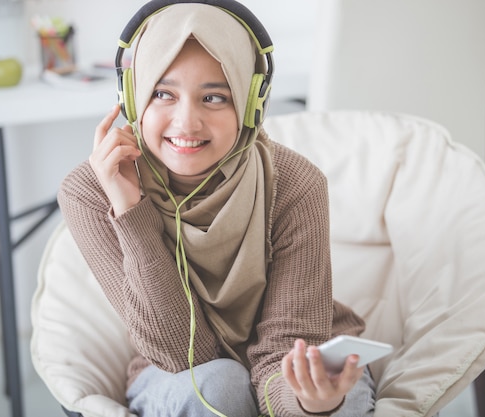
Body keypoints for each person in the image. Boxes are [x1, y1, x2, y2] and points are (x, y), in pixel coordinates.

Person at [58, 1, 376, 416]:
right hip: (174, 370)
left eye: (214, 97)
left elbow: (290, 342)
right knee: (217, 385)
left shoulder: (297, 185)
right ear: (132, 100)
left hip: (295, 360)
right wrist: (130, 210)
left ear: (249, 105)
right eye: (162, 93)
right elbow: (179, 353)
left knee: (339, 406)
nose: (186, 123)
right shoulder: (92, 190)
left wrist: (309, 403)